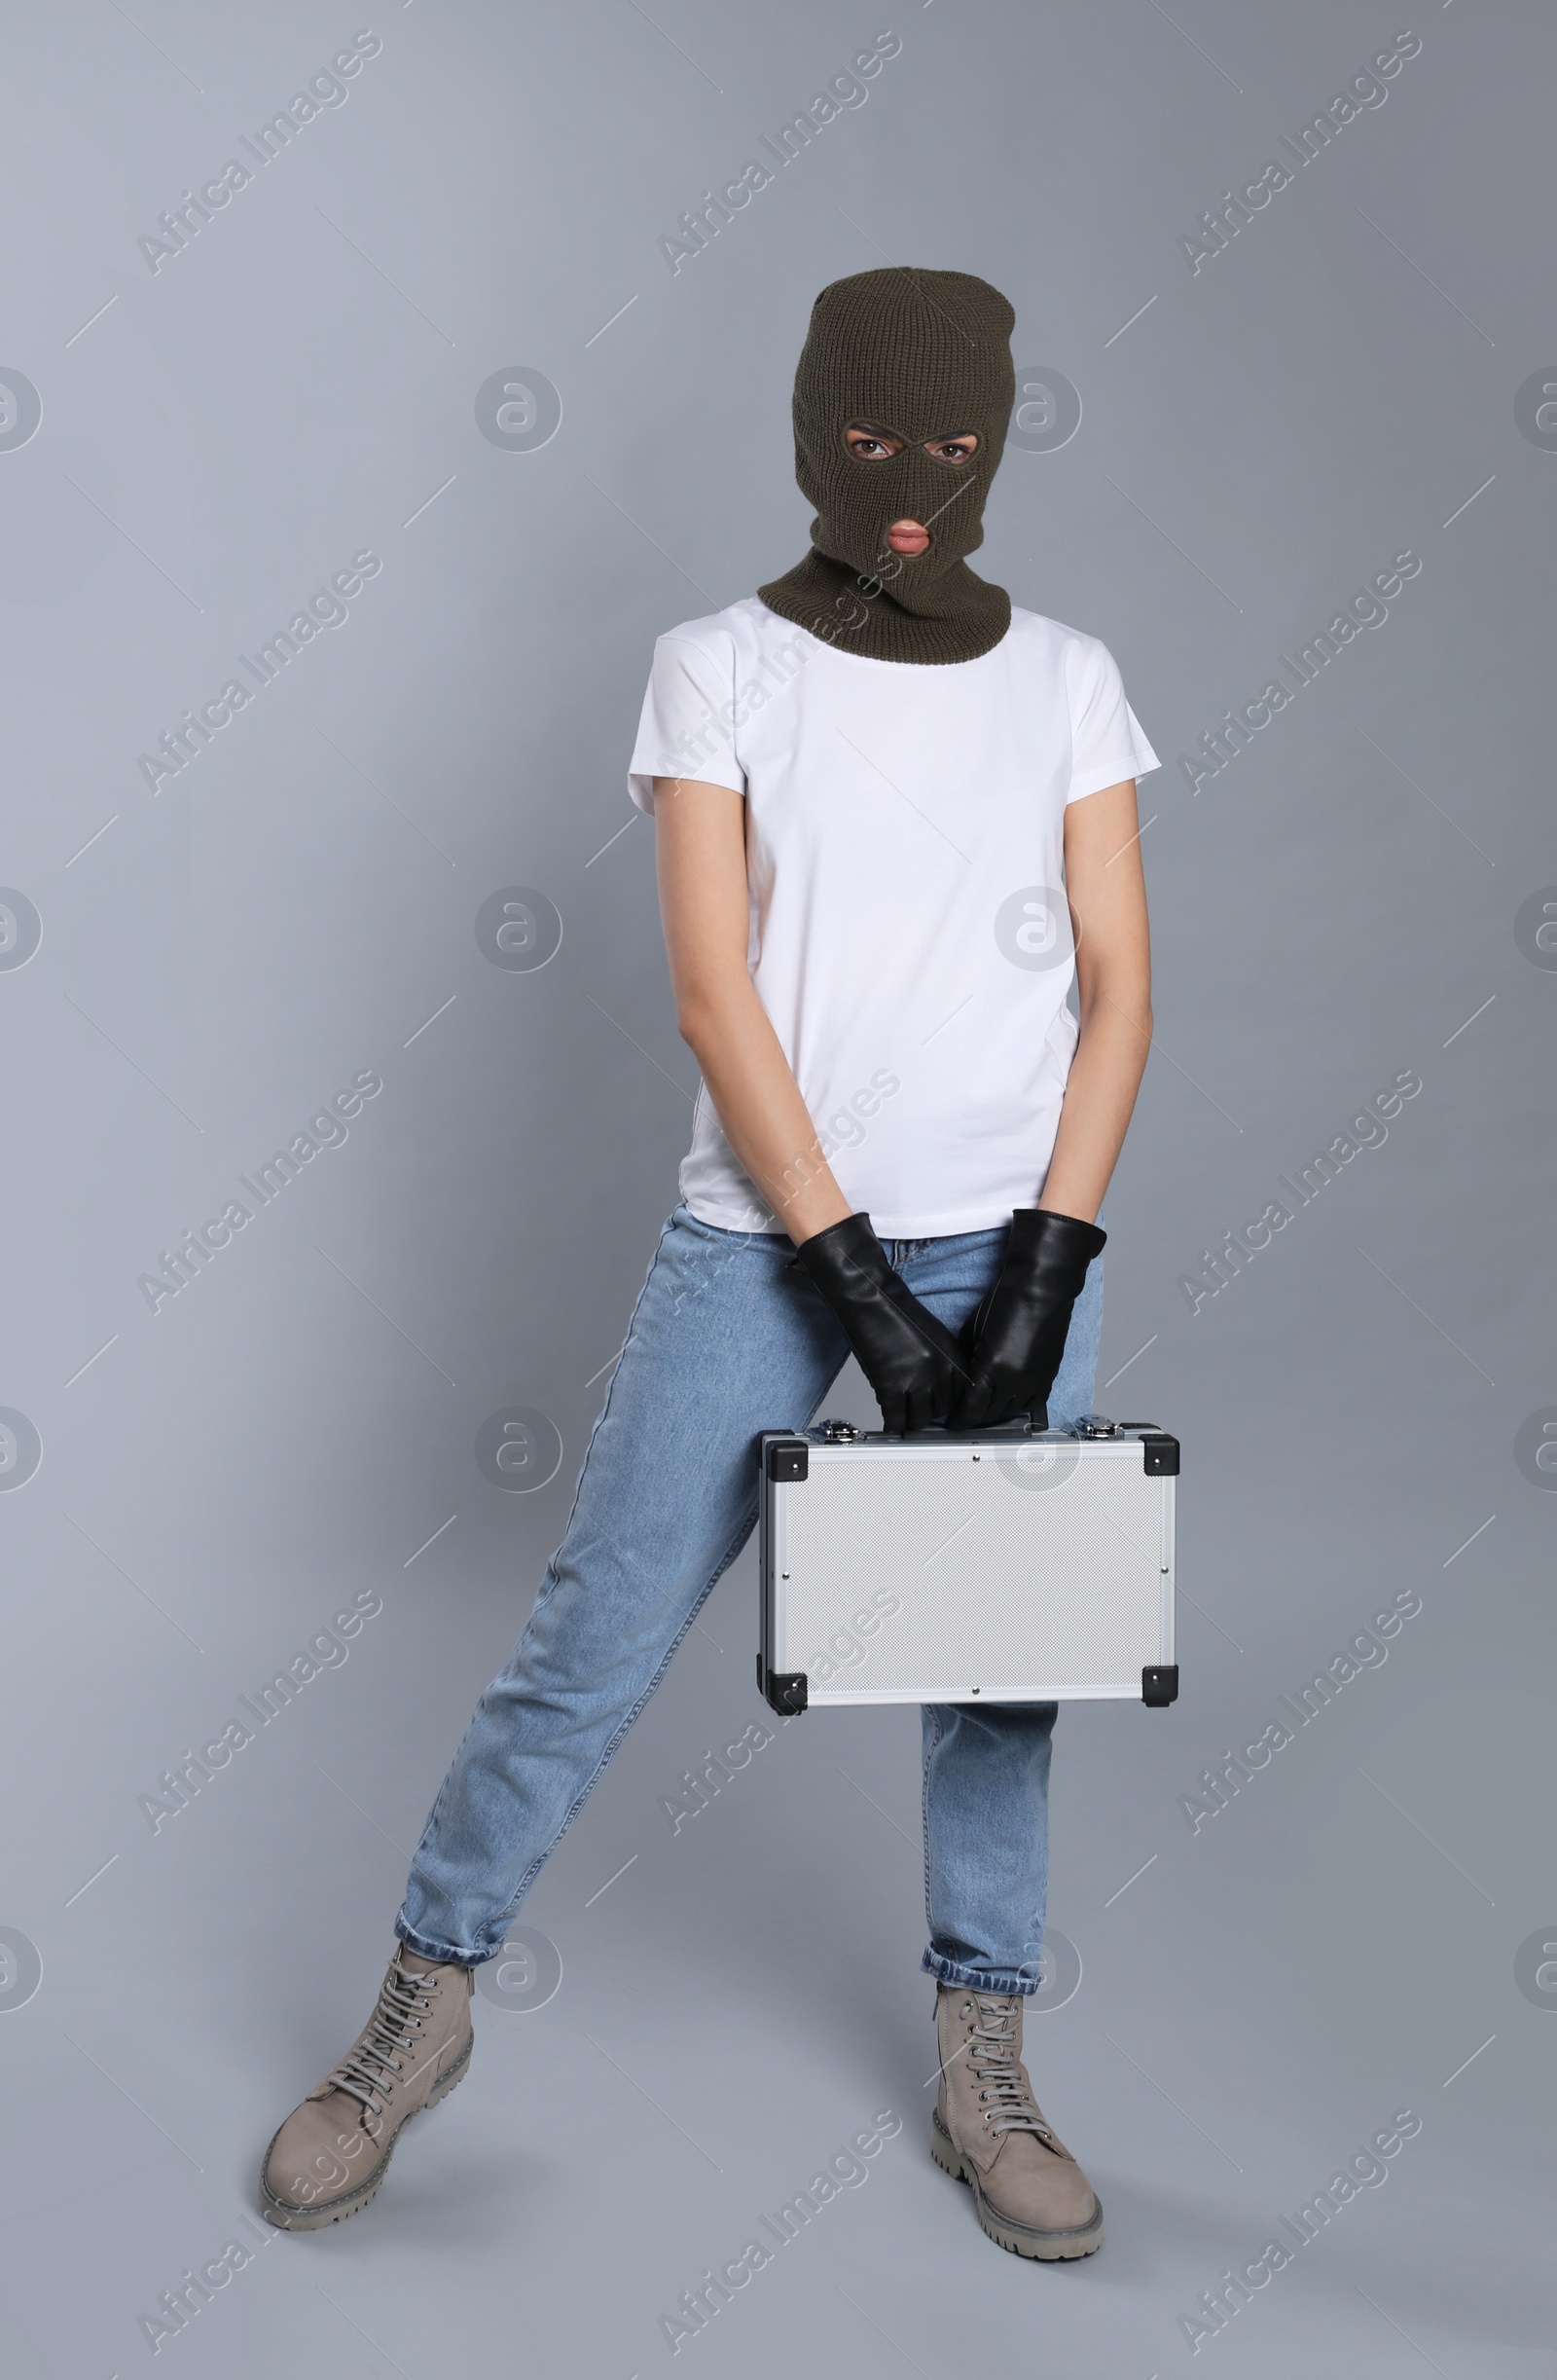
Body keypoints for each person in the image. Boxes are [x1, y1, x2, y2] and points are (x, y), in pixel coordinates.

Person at [259, 267, 1159, 2262]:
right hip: (769, 1238)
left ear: (995, 438)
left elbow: (1116, 987)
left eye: (949, 444)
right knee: (593, 1628)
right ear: (807, 427)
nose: (910, 486)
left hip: (1015, 1228)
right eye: (868, 439)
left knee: (998, 1665)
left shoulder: (1067, 678)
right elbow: (708, 986)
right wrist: (841, 1272)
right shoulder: (715, 667)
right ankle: (425, 1991)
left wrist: (1037, 1268)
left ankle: (981, 2048)